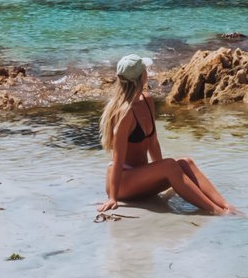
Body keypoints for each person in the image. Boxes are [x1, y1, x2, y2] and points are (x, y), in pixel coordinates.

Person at [97, 54, 238, 215]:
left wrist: (163, 172)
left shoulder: (147, 100)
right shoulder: (125, 113)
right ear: (141, 77)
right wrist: (113, 198)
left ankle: (226, 205)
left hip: (140, 177)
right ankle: (216, 211)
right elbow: (117, 159)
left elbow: (153, 143)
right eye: (145, 70)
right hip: (122, 183)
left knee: (185, 162)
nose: (147, 73)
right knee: (170, 165)